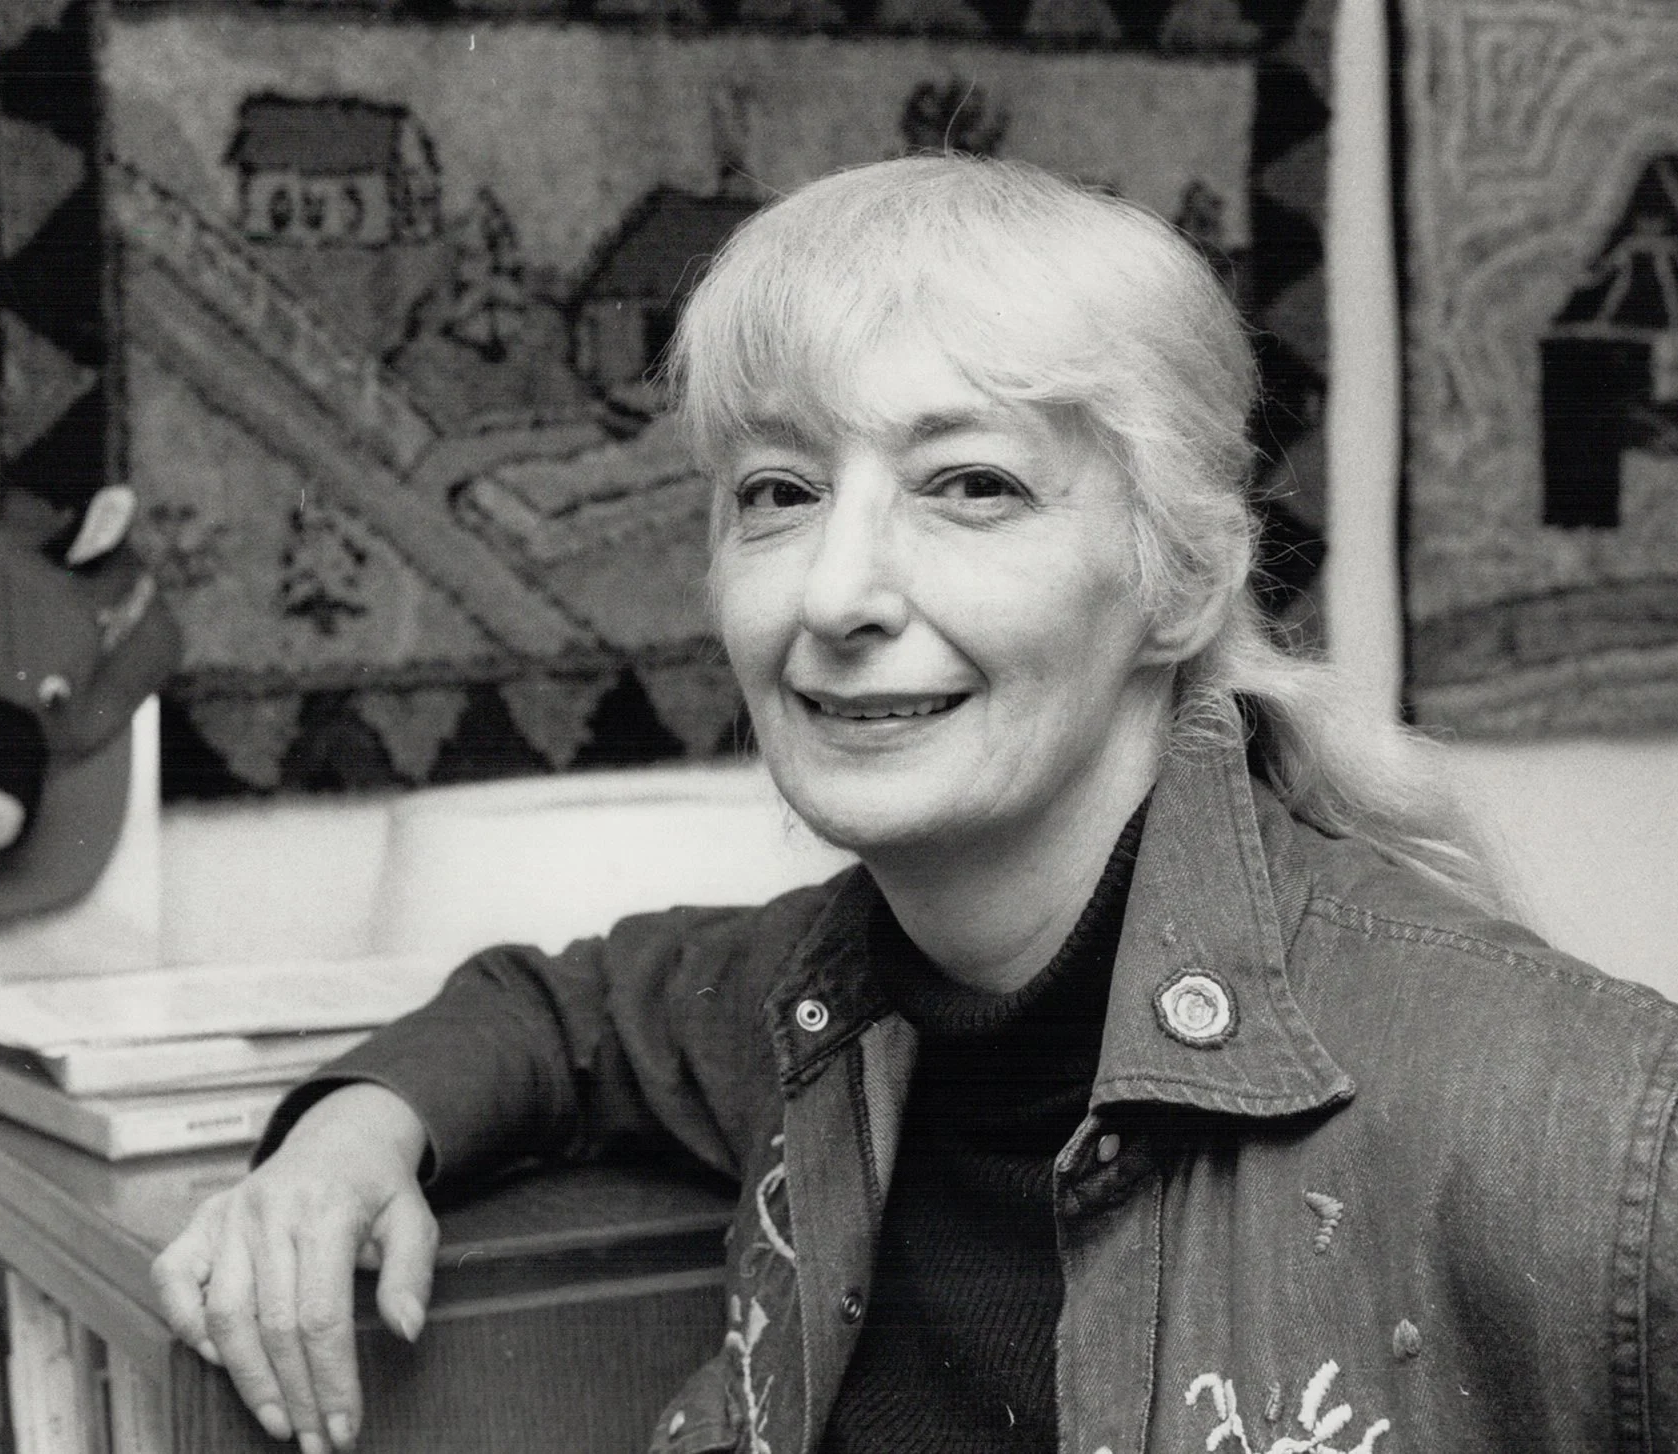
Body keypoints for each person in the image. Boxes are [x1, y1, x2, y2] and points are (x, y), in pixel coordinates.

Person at [153, 156, 1678, 1454]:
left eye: (971, 486)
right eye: (779, 492)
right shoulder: (819, 991)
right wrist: (348, 1137)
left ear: (1180, 579)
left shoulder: (1584, 1123)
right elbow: (562, 1009)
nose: (838, 594)